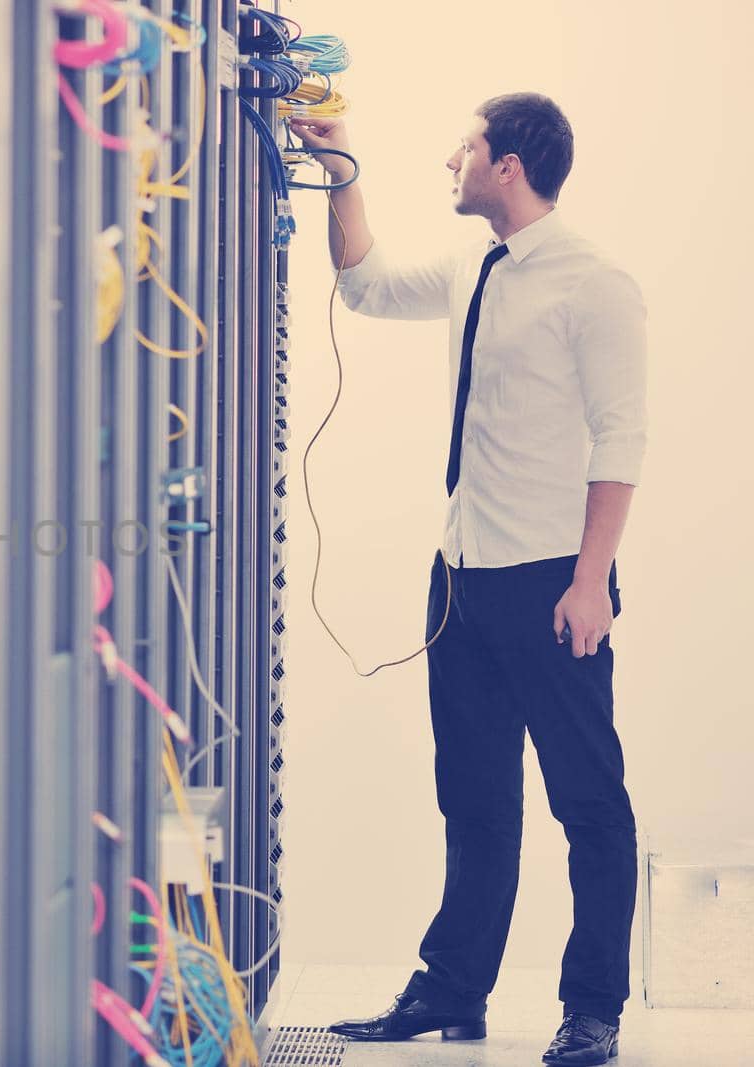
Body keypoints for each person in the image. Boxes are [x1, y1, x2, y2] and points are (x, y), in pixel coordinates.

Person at [288, 93, 646, 1067]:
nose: (452, 158)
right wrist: (339, 165)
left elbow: (621, 434)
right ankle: (453, 990)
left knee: (589, 804)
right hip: (461, 579)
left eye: (468, 146)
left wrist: (591, 580)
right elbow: (361, 284)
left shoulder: (592, 282)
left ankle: (591, 1009)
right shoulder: (471, 266)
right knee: (475, 800)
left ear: (510, 165)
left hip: (551, 583)